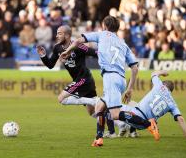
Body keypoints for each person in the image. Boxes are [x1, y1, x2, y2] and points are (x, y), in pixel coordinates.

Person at [61, 16, 159, 147]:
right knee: (99, 107)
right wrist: (130, 88)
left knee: (115, 114)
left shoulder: (101, 35)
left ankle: (148, 124)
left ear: (104, 26)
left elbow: (78, 41)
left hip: (110, 77)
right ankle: (99, 138)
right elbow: (135, 68)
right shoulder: (123, 43)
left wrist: (67, 51)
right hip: (120, 79)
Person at [37, 25, 100, 117]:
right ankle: (120, 123)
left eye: (59, 33)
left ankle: (93, 101)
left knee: (61, 99)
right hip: (79, 80)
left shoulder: (78, 46)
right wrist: (43, 56)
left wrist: (106, 53)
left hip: (84, 79)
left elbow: (94, 53)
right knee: (93, 113)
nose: (56, 36)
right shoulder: (57, 48)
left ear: (67, 35)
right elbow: (50, 65)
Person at [116, 70, 186, 140]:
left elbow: (154, 73)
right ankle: (132, 131)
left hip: (137, 116)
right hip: (143, 126)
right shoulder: (172, 103)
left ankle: (115, 129)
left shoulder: (160, 85)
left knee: (109, 104)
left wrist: (163, 73)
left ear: (164, 84)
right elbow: (180, 119)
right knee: (133, 103)